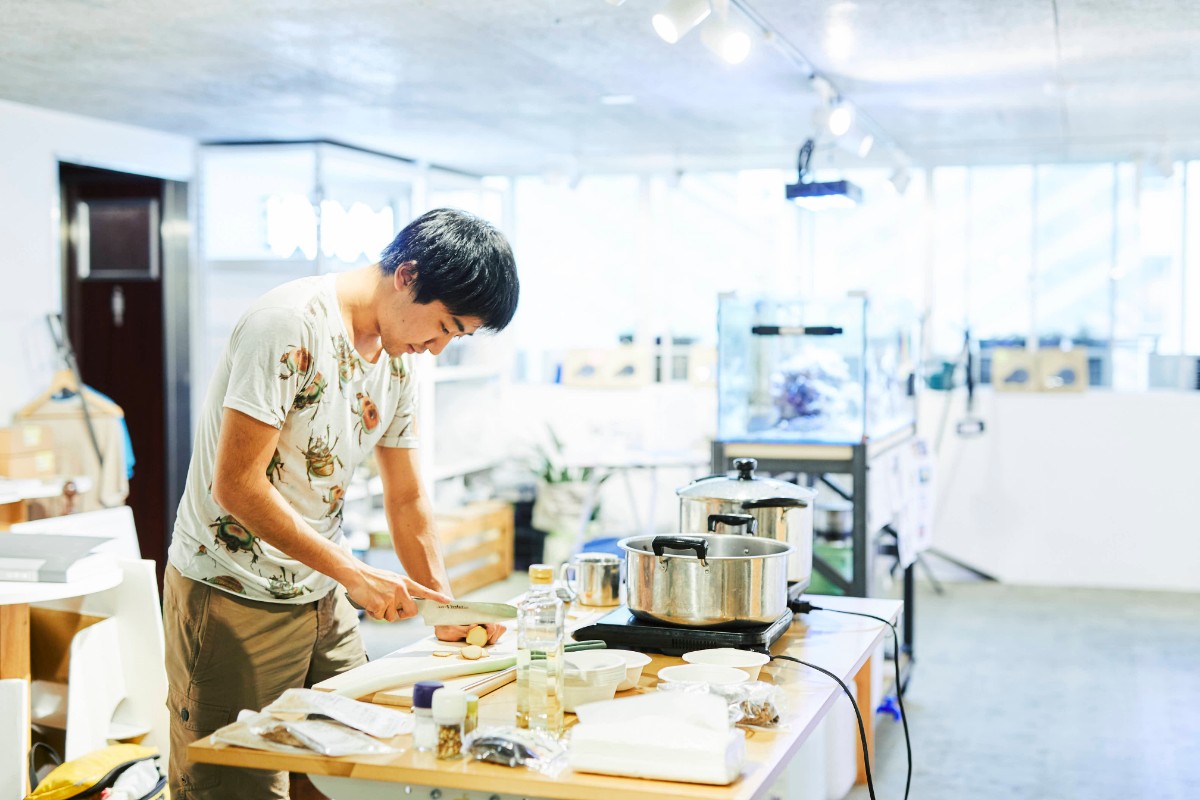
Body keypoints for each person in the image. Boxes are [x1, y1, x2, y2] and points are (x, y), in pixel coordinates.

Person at [163, 208, 519, 799]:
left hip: (321, 592)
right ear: (406, 276)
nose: (437, 349)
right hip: (231, 590)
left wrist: (446, 606)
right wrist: (355, 574)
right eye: (444, 326)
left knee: (351, 768)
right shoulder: (289, 323)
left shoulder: (398, 358)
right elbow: (237, 486)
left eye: (456, 338)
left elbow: (406, 499)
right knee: (232, 784)